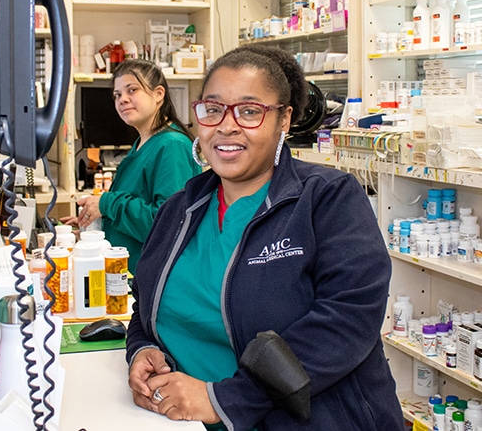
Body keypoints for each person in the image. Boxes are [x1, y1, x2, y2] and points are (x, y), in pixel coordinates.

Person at [126, 45, 405, 430]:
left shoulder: (327, 198)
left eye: (250, 111)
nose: (226, 126)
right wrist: (141, 349)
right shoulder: (179, 209)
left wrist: (223, 399)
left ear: (284, 119)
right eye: (213, 109)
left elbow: (348, 319)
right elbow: (144, 304)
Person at [61, 59, 201, 272]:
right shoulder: (142, 143)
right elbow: (136, 206)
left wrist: (107, 204)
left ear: (158, 94)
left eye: (132, 90)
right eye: (117, 95)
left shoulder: (172, 146)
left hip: (154, 277)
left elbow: (167, 225)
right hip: (129, 272)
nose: (122, 100)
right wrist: (95, 227)